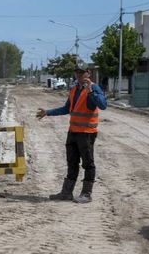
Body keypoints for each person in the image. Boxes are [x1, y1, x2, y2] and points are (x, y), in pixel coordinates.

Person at [36, 67, 107, 203]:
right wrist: (48, 112)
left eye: (82, 72)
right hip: (73, 132)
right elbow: (67, 108)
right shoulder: (74, 90)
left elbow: (103, 105)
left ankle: (86, 194)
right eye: (77, 72)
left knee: (88, 163)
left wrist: (91, 91)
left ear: (88, 73)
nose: (79, 75)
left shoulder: (94, 88)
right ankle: (66, 192)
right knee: (72, 162)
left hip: (86, 133)